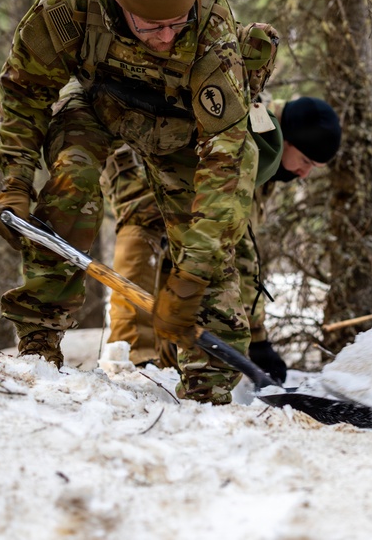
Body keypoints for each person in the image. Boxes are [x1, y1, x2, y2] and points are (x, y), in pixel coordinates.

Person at [0, 0, 257, 404]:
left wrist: (191, 274)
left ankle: (208, 391)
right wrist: (15, 180)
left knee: (211, 247)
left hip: (182, 127)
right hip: (98, 105)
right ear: (120, 3)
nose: (166, 37)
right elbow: (24, 88)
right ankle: (37, 346)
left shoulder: (213, 23)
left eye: (177, 24)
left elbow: (229, 156)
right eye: (152, 26)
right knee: (73, 177)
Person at [103, 96, 342, 383]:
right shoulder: (249, 138)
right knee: (145, 224)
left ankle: (166, 362)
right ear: (287, 139)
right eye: (305, 161)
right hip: (138, 144)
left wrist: (257, 337)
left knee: (186, 254)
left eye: (313, 168)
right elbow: (236, 247)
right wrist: (257, 339)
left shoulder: (270, 151)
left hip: (176, 160)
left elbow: (236, 242)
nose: (304, 173)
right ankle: (132, 359)